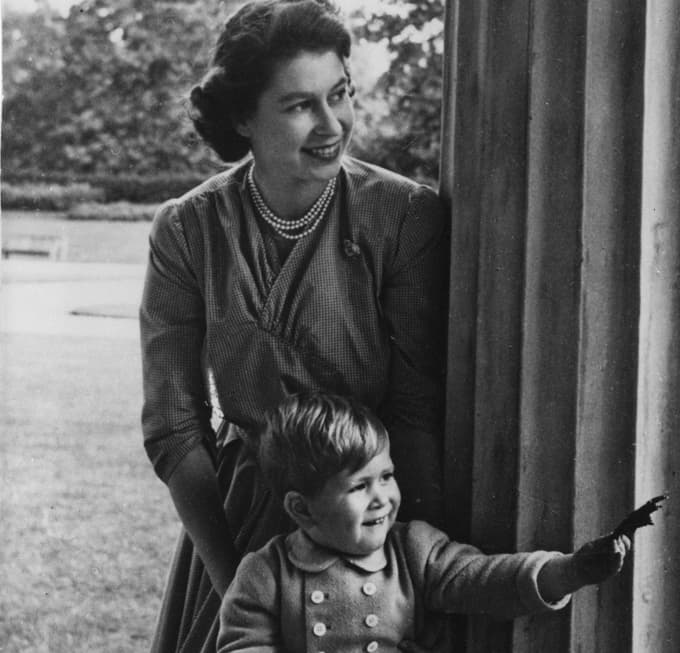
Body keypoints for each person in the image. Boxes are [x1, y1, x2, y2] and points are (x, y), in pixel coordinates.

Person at [139, 1, 448, 651]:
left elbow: (415, 416)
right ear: (243, 118)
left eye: (340, 94)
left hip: (366, 535)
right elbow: (173, 428)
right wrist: (238, 589)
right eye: (299, 105)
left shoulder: (403, 217)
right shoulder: (187, 229)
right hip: (238, 527)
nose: (332, 124)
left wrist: (407, 581)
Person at [217, 392, 636, 653]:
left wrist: (570, 571)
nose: (382, 497)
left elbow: (489, 580)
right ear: (302, 509)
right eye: (359, 487)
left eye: (386, 476)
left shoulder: (413, 550)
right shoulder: (266, 574)